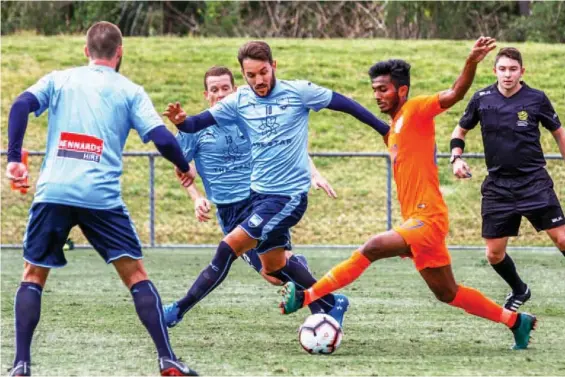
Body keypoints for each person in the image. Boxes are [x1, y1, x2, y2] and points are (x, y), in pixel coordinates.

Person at [280, 37, 538, 351]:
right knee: (448, 293)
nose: (377, 96)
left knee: (372, 247)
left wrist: (471, 61)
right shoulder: (393, 130)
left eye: (383, 89)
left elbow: (454, 93)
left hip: (427, 218)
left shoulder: (415, 110)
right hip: (416, 220)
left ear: (402, 90)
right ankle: (516, 322)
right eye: (374, 90)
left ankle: (308, 296)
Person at [5, 22, 198, 376]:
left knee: (33, 276)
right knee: (136, 275)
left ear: (85, 51)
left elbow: (19, 105)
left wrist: (14, 159)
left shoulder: (60, 79)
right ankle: (167, 359)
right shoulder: (130, 91)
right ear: (120, 52)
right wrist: (185, 166)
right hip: (101, 198)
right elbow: (163, 138)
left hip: (55, 192)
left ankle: (20, 365)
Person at [162, 40, 391, 328]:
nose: (259, 80)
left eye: (263, 72)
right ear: (243, 75)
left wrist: (384, 129)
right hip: (259, 197)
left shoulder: (298, 92)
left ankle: (177, 311)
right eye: (251, 75)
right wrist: (181, 121)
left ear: (274, 66)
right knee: (275, 268)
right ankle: (332, 302)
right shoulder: (240, 101)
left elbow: (344, 103)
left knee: (227, 249)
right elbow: (195, 124)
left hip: (288, 197)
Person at [450, 47, 565, 311]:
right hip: (498, 187)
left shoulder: (536, 99)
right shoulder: (482, 98)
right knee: (493, 254)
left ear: (522, 72)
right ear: (495, 71)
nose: (507, 74)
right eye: (502, 69)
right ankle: (520, 289)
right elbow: (461, 129)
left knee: (562, 239)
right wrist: (456, 157)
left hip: (534, 182)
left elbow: (558, 132)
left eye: (513, 69)